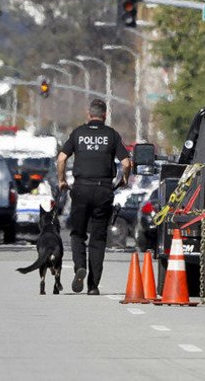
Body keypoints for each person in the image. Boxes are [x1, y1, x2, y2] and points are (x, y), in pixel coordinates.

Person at [57, 99, 130, 295]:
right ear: (105, 115)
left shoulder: (78, 134)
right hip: (103, 190)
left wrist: (62, 180)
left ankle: (80, 266)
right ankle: (93, 286)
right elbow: (126, 162)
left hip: (81, 189)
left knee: (78, 233)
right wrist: (124, 180)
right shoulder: (111, 135)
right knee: (98, 239)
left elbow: (61, 158)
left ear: (88, 115)